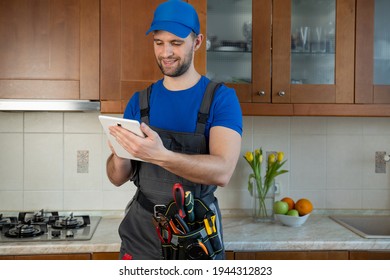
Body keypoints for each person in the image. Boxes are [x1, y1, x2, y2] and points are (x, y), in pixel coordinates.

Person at [106, 0, 242, 260]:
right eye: (159, 43)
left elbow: (223, 171)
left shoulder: (221, 99)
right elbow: (117, 177)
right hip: (141, 238)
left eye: (176, 43)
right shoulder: (140, 100)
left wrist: (160, 155)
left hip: (197, 239)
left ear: (197, 42)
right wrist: (120, 154)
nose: (165, 52)